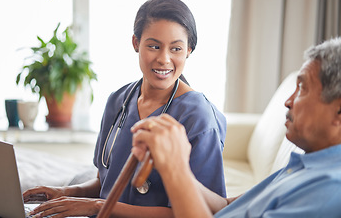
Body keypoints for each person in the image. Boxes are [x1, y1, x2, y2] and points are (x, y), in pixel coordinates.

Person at [23, 0, 227, 217]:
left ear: (189, 50)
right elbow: (106, 182)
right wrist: (65, 193)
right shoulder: (118, 101)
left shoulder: (198, 116)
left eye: (176, 49)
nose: (164, 59)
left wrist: (96, 206)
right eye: (154, 46)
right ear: (136, 43)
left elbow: (201, 210)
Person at [132, 37, 341, 217]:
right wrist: (173, 164)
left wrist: (175, 169)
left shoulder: (329, 191)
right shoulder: (303, 165)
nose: (288, 101)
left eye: (303, 88)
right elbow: (226, 206)